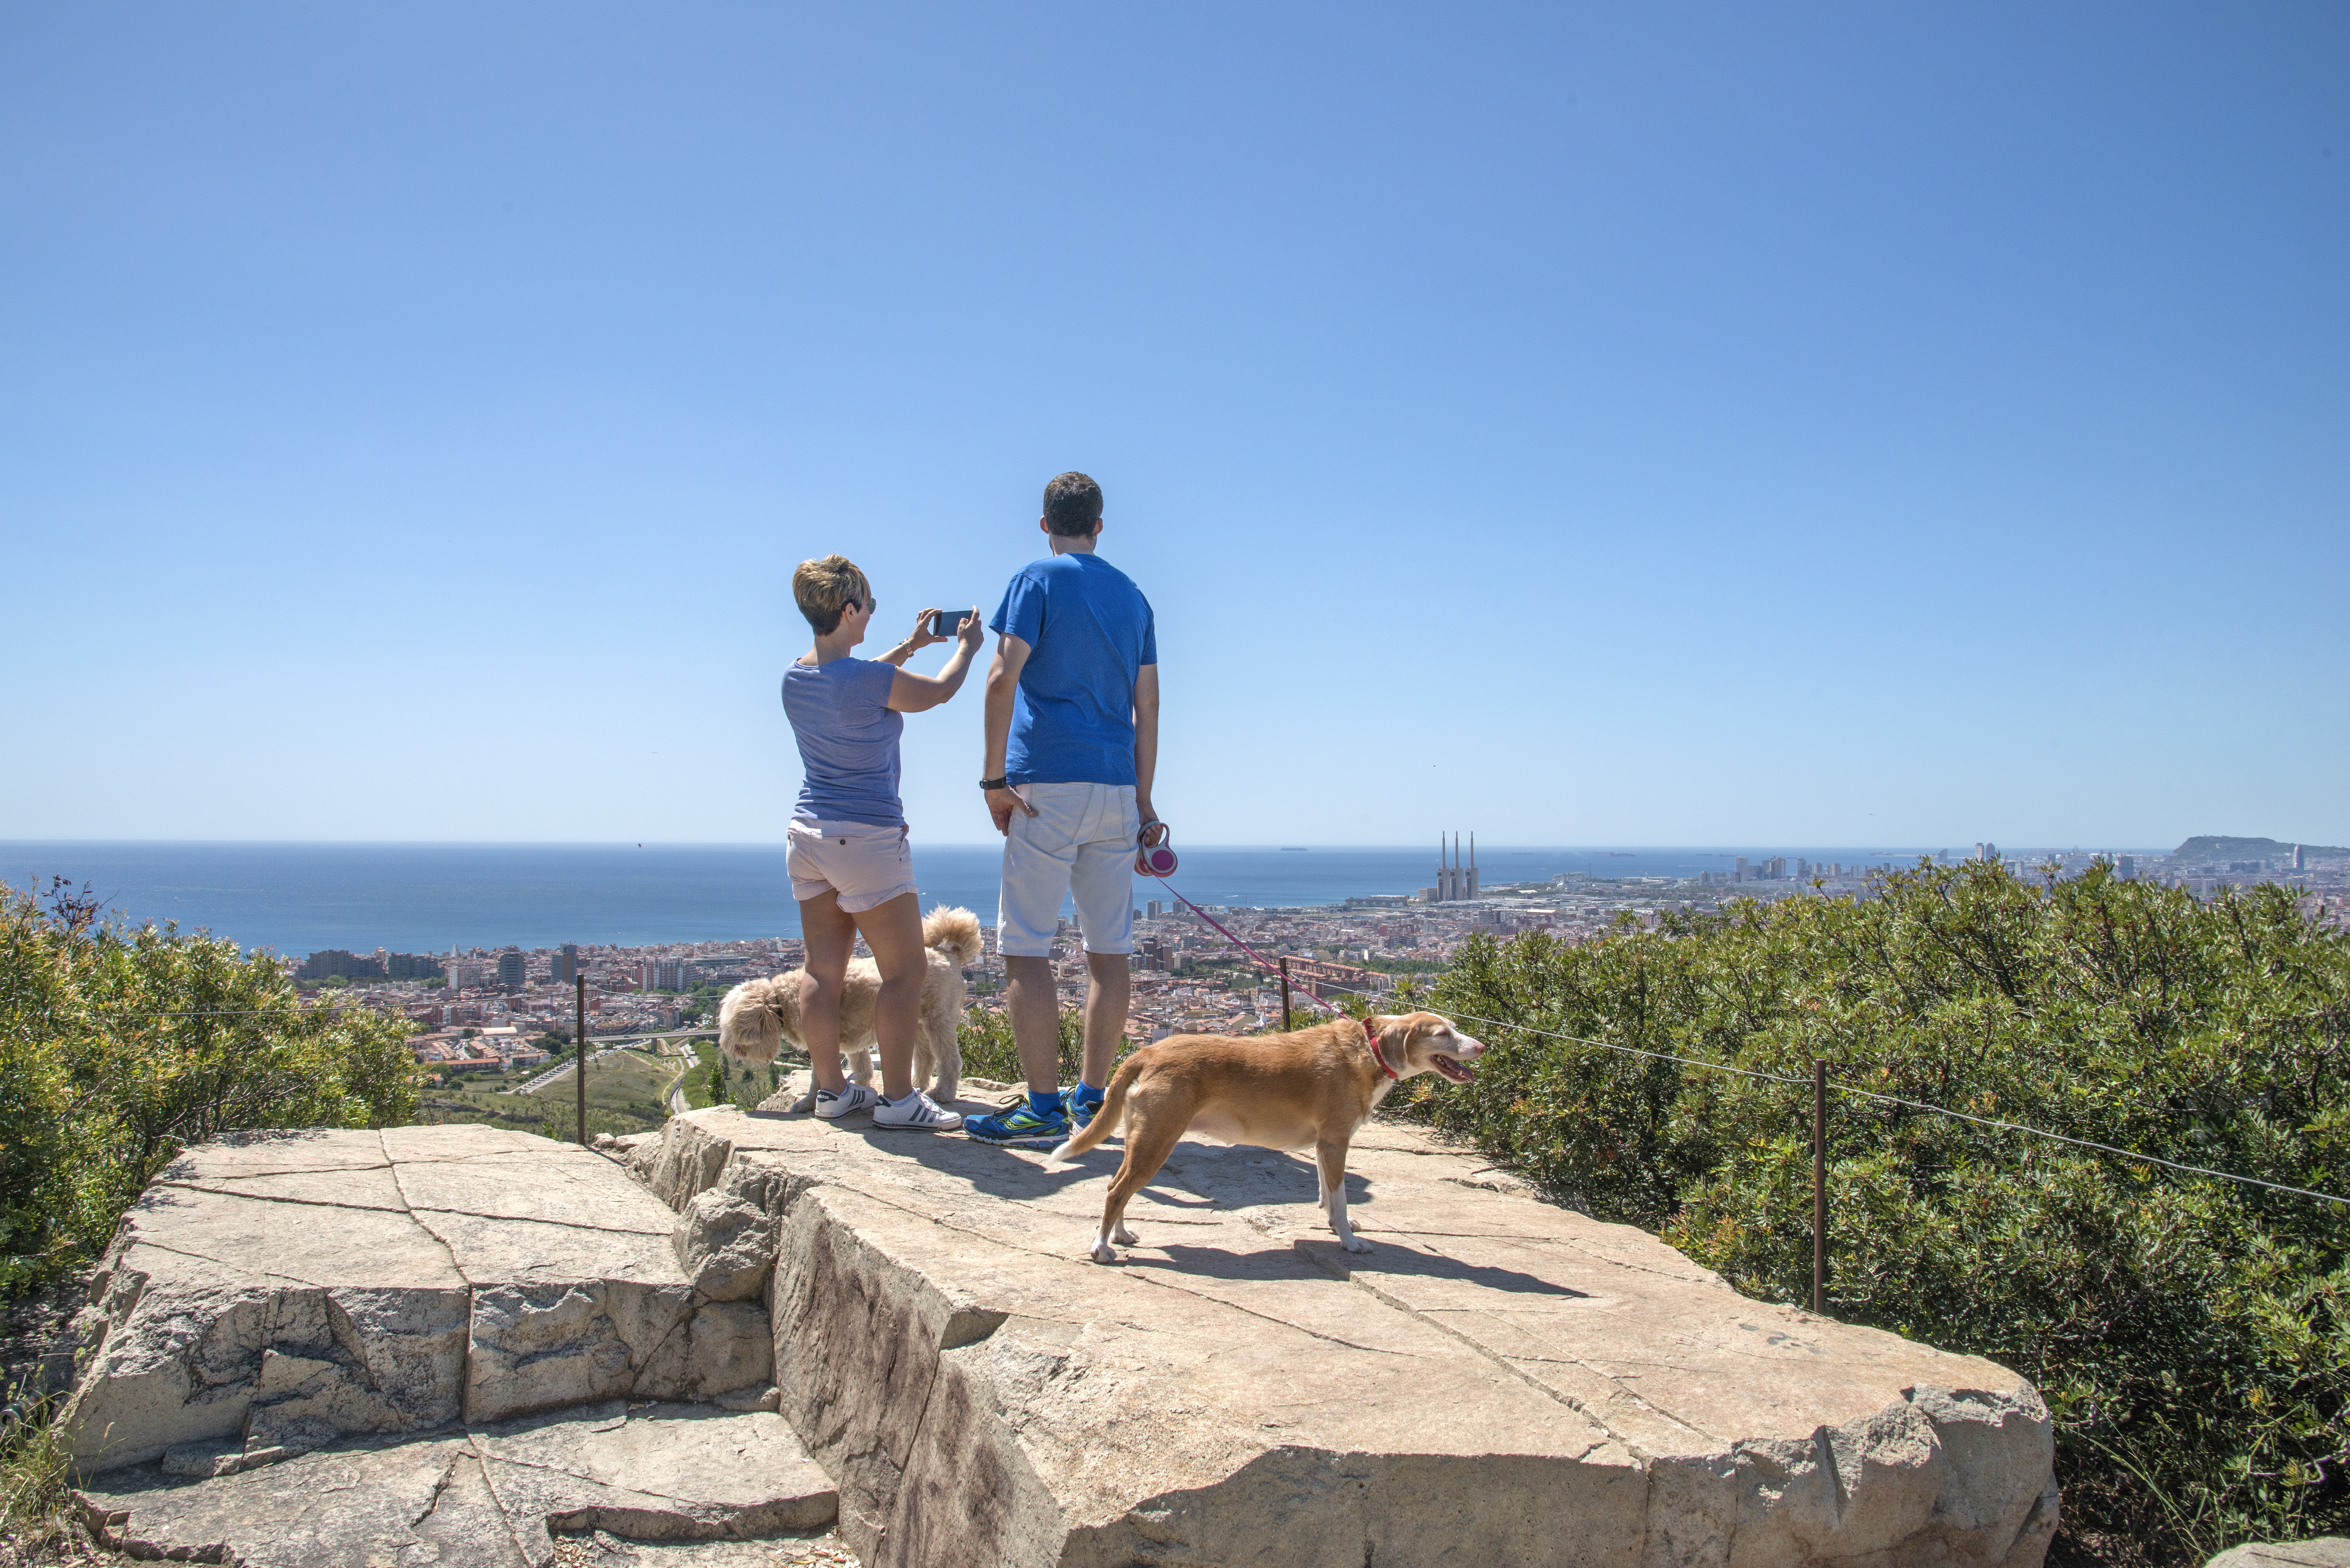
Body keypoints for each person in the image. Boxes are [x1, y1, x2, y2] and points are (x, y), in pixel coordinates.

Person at [965, 473, 1165, 1148]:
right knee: (1110, 952)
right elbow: (1148, 706)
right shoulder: (1133, 597)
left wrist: (994, 778)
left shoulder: (1035, 580)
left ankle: (1042, 1108)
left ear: (1045, 523)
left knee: (1026, 948)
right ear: (1099, 526)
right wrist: (1143, 800)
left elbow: (1002, 677)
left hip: (1046, 782)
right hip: (1116, 787)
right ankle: (1094, 1100)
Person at [781, 554, 982, 1131]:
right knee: (906, 973)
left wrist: (910, 646)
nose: (871, 612)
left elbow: (857, 679)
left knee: (822, 973)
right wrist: (966, 648)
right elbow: (939, 693)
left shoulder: (796, 677)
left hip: (807, 838)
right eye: (867, 605)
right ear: (849, 610)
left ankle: (832, 1092)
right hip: (866, 838)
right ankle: (898, 1101)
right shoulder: (866, 681)